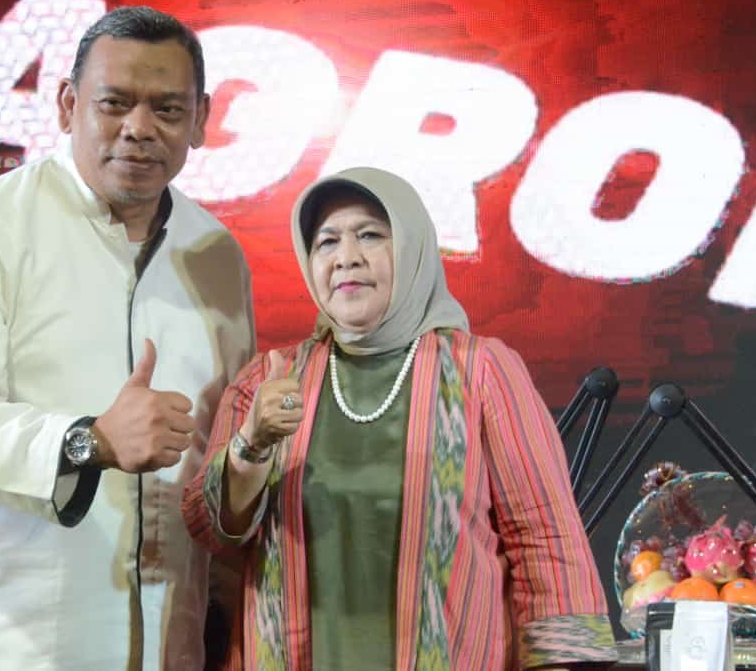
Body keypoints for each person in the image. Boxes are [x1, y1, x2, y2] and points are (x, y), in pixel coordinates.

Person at [0, 6, 255, 670]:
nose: (139, 128)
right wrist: (88, 441)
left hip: (168, 638)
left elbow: (221, 449)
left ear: (201, 119)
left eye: (168, 109)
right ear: (68, 105)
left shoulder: (217, 254)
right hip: (15, 643)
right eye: (114, 103)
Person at [182, 167, 618, 670]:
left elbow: (544, 537)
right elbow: (209, 531)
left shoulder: (481, 371)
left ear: (413, 248)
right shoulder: (269, 379)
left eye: (370, 235)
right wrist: (251, 445)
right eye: (327, 242)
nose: (347, 256)